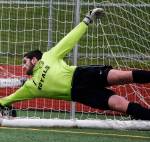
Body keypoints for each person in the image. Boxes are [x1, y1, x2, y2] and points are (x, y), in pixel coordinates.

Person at [0, 8, 150, 120]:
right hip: (81, 95)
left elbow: (69, 40)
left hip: (82, 75)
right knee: (119, 105)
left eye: (24, 61)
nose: (23, 66)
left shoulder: (48, 56)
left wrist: (87, 20)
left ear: (34, 60)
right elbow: (6, 100)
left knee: (122, 76)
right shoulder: (30, 87)